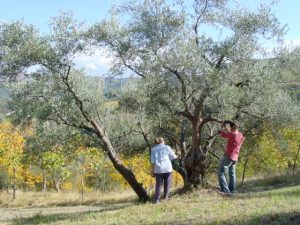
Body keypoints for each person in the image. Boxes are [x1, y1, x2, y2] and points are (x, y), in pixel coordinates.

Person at [218, 121, 244, 194]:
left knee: (221, 172)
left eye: (230, 127)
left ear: (232, 127)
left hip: (229, 156)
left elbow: (224, 135)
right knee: (232, 174)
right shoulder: (240, 134)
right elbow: (229, 134)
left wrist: (221, 129)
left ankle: (225, 190)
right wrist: (225, 128)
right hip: (235, 157)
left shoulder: (232, 134)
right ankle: (232, 190)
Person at [150, 137, 177, 203]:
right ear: (163, 141)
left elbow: (153, 162)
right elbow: (173, 157)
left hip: (158, 170)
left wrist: (152, 171)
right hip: (168, 168)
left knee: (158, 185)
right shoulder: (167, 147)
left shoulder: (153, 149)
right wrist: (178, 155)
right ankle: (165, 199)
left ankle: (157, 200)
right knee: (167, 184)